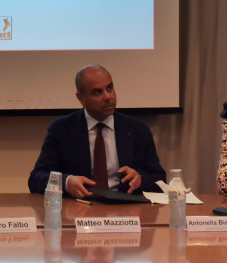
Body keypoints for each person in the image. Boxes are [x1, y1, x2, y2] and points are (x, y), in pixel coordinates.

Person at [28, 65, 166, 198]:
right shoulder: (61, 129)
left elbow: (159, 179)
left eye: (110, 88)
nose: (108, 97)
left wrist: (140, 179)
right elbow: (36, 179)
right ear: (81, 98)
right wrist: (66, 182)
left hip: (125, 207)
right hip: (80, 207)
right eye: (97, 92)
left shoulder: (137, 129)